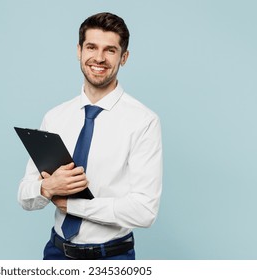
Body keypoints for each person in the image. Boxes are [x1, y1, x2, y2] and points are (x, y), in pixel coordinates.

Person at [18, 12, 162, 260]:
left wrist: (74, 206)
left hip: (112, 259)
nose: (99, 57)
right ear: (79, 51)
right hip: (56, 253)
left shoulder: (143, 121)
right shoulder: (55, 117)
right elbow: (24, 195)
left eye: (110, 50)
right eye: (91, 47)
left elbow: (144, 210)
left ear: (124, 57)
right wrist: (47, 187)